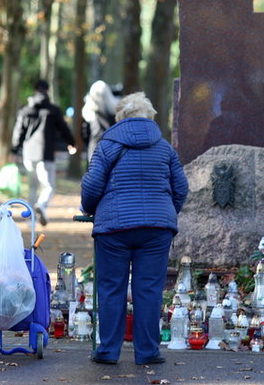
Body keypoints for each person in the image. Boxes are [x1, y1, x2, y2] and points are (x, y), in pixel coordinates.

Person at [80, 92, 188, 365]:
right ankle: (148, 352)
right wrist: (164, 213)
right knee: (149, 288)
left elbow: (92, 186)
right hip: (156, 229)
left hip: (113, 228)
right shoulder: (164, 148)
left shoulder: (107, 145)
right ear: (149, 117)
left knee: (110, 287)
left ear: (120, 118)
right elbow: (181, 188)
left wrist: (91, 209)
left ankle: (107, 352)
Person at [11, 79, 77, 225]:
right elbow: (63, 129)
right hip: (45, 153)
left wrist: (15, 149)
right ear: (48, 90)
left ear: (34, 90)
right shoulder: (53, 110)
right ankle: (42, 205)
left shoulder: (25, 110)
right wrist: (72, 143)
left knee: (33, 187)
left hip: (28, 154)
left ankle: (31, 219)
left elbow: (18, 131)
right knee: (49, 186)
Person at [81, 80, 117, 162]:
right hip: (112, 150)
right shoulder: (114, 114)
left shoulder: (88, 114)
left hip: (94, 151)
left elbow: (84, 134)